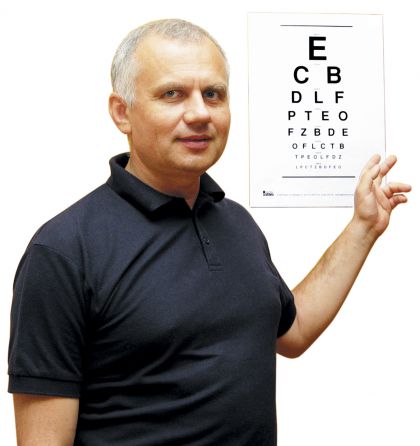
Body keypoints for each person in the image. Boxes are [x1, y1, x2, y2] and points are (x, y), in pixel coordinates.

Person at [8, 18, 410, 446]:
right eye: (172, 94)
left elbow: (292, 333)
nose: (200, 113)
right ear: (122, 112)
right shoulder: (64, 251)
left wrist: (364, 227)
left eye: (213, 94)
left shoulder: (237, 223)